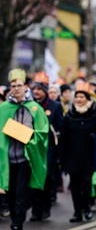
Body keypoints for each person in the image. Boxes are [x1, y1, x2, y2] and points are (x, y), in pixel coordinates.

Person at [0, 69, 49, 230]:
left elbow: (43, 133)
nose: (16, 88)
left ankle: (17, 225)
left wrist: (25, 134)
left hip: (25, 158)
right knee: (10, 193)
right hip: (7, 160)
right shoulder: (3, 108)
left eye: (19, 85)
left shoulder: (35, 108)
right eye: (13, 86)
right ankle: (14, 219)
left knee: (21, 193)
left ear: (25, 87)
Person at [60, 81, 96, 222]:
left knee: (86, 183)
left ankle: (87, 207)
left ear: (88, 99)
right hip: (72, 157)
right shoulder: (69, 116)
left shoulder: (95, 115)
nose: (79, 99)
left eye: (82, 97)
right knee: (75, 186)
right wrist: (61, 157)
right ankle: (77, 212)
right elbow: (63, 137)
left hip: (88, 156)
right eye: (77, 97)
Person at [30, 72, 64, 220]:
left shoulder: (55, 106)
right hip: (32, 148)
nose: (36, 92)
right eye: (34, 89)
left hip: (49, 149)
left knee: (46, 178)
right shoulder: (30, 105)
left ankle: (45, 207)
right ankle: (35, 209)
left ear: (45, 90)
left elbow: (60, 127)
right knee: (33, 178)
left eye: (39, 89)